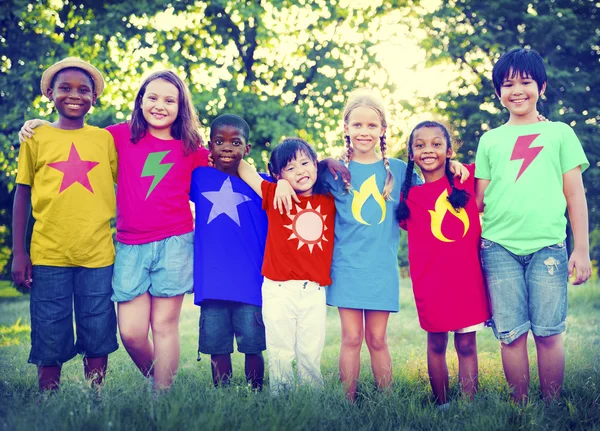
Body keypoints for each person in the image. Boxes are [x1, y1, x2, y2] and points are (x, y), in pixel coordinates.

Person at [19, 70, 210, 392]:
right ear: (140, 101)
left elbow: (228, 166)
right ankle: (158, 378)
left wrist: (317, 165)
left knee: (164, 326)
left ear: (181, 107)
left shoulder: (191, 147)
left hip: (175, 243)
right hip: (130, 245)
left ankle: (163, 396)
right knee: (132, 333)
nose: (159, 105)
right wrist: (38, 123)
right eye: (152, 97)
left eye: (169, 99)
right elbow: (72, 135)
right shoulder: (116, 136)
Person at [278, 90, 468, 402]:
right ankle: (347, 403)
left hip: (382, 268)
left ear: (382, 129)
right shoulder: (330, 171)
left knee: (377, 339)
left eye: (371, 125)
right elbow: (300, 182)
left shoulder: (399, 169)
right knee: (351, 337)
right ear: (346, 128)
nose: (364, 132)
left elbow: (433, 192)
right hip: (346, 266)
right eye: (357, 125)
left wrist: (453, 166)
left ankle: (386, 400)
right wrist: (287, 180)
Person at [474, 47, 591, 403]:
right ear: (498, 93)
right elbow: (477, 201)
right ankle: (520, 406)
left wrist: (582, 249)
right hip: (498, 247)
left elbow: (575, 196)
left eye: (525, 82)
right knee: (510, 334)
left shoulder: (559, 133)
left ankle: (552, 405)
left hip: (547, 247)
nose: (517, 91)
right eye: (508, 84)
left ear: (541, 86)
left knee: (548, 332)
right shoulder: (490, 140)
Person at [12, 57, 118, 391]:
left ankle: (95, 395)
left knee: (97, 326)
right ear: (50, 93)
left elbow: (131, 178)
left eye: (83, 90)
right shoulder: (36, 138)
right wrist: (19, 252)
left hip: (98, 253)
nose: (75, 95)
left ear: (94, 98)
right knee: (49, 328)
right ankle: (49, 396)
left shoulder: (104, 139)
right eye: (65, 88)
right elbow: (22, 193)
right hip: (48, 252)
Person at [396, 121, 490, 408]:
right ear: (411, 154)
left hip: (467, 281)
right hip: (431, 283)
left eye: (437, 144)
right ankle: (442, 404)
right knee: (436, 344)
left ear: (449, 151)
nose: (428, 150)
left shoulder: (467, 179)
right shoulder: (408, 196)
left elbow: (493, 165)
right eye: (420, 145)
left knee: (466, 345)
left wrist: (459, 166)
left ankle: (468, 404)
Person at [237, 138, 336, 395]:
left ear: (315, 165)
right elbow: (243, 168)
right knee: (280, 348)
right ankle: (280, 397)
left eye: (305, 163)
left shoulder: (329, 199)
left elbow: (344, 170)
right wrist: (278, 183)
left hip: (313, 290)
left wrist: (328, 162)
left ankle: (312, 399)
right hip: (278, 288)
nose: (300, 171)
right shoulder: (274, 194)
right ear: (278, 173)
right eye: (290, 169)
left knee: (311, 349)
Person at [190, 114, 267, 390]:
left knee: (253, 345)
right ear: (209, 146)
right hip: (212, 282)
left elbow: (299, 181)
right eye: (219, 141)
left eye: (235, 142)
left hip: (250, 283)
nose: (226, 147)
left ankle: (255, 393)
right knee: (217, 346)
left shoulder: (262, 185)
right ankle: (223, 395)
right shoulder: (199, 177)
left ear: (247, 149)